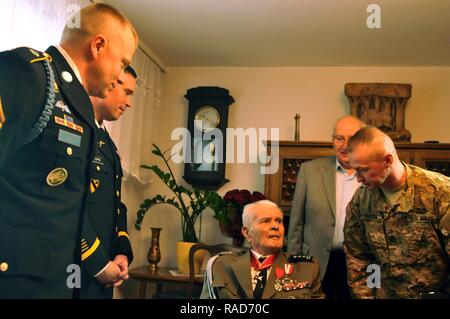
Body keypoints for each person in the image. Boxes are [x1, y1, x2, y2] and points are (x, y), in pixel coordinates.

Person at [0, 3, 138, 298]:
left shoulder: (79, 108)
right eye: (123, 63)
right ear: (98, 46)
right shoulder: (31, 74)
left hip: (58, 282)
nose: (120, 74)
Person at [344, 126, 450, 299]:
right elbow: (359, 260)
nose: (358, 178)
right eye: (355, 171)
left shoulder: (439, 193)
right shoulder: (361, 201)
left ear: (387, 160)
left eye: (363, 169)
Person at [287, 115, 365, 299]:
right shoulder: (309, 171)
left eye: (351, 139)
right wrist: (293, 265)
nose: (345, 145)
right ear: (333, 140)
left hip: (358, 264)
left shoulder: (370, 173)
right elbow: (296, 223)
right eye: (339, 138)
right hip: (315, 262)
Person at [80, 66, 137, 298]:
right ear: (109, 82)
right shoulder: (75, 131)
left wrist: (121, 252)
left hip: (104, 272)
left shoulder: (107, 143)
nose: (129, 102)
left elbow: (115, 205)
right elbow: (66, 204)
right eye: (127, 92)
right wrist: (97, 262)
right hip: (76, 268)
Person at [201, 200, 324, 299]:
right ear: (247, 232)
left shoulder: (307, 269)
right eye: (266, 221)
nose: (275, 226)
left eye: (279, 221)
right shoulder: (221, 265)